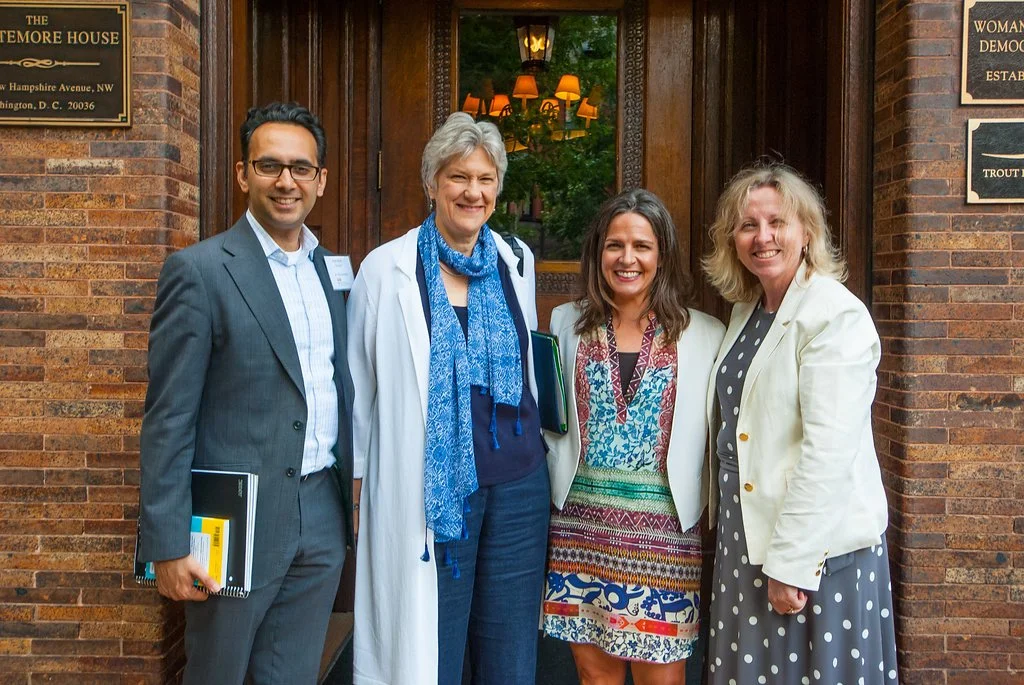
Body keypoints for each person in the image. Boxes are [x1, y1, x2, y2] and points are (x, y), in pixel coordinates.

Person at [138, 102, 355, 685]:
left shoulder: (330, 271)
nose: (286, 181)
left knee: (292, 675)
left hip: (321, 512)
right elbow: (169, 417)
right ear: (243, 174)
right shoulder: (200, 271)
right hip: (233, 520)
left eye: (301, 168)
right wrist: (166, 543)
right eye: (269, 165)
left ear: (320, 180)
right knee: (219, 673)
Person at [347, 111, 550, 685]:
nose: (472, 192)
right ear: (432, 182)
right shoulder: (386, 269)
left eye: (485, 179)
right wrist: (358, 486)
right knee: (433, 648)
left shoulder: (516, 260)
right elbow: (360, 387)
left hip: (519, 485)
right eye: (459, 177)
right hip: (436, 487)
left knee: (509, 648)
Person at [702, 162, 898, 683]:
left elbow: (827, 452)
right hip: (746, 533)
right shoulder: (749, 310)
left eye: (777, 222)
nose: (762, 237)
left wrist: (792, 564)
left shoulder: (834, 315)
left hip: (814, 552)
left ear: (806, 232)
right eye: (748, 225)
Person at [542, 189, 725, 685]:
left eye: (642, 246)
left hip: (664, 537)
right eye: (615, 245)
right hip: (581, 531)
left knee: (661, 680)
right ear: (597, 252)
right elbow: (551, 422)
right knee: (594, 678)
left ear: (662, 255)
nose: (627, 259)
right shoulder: (565, 323)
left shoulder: (705, 334)